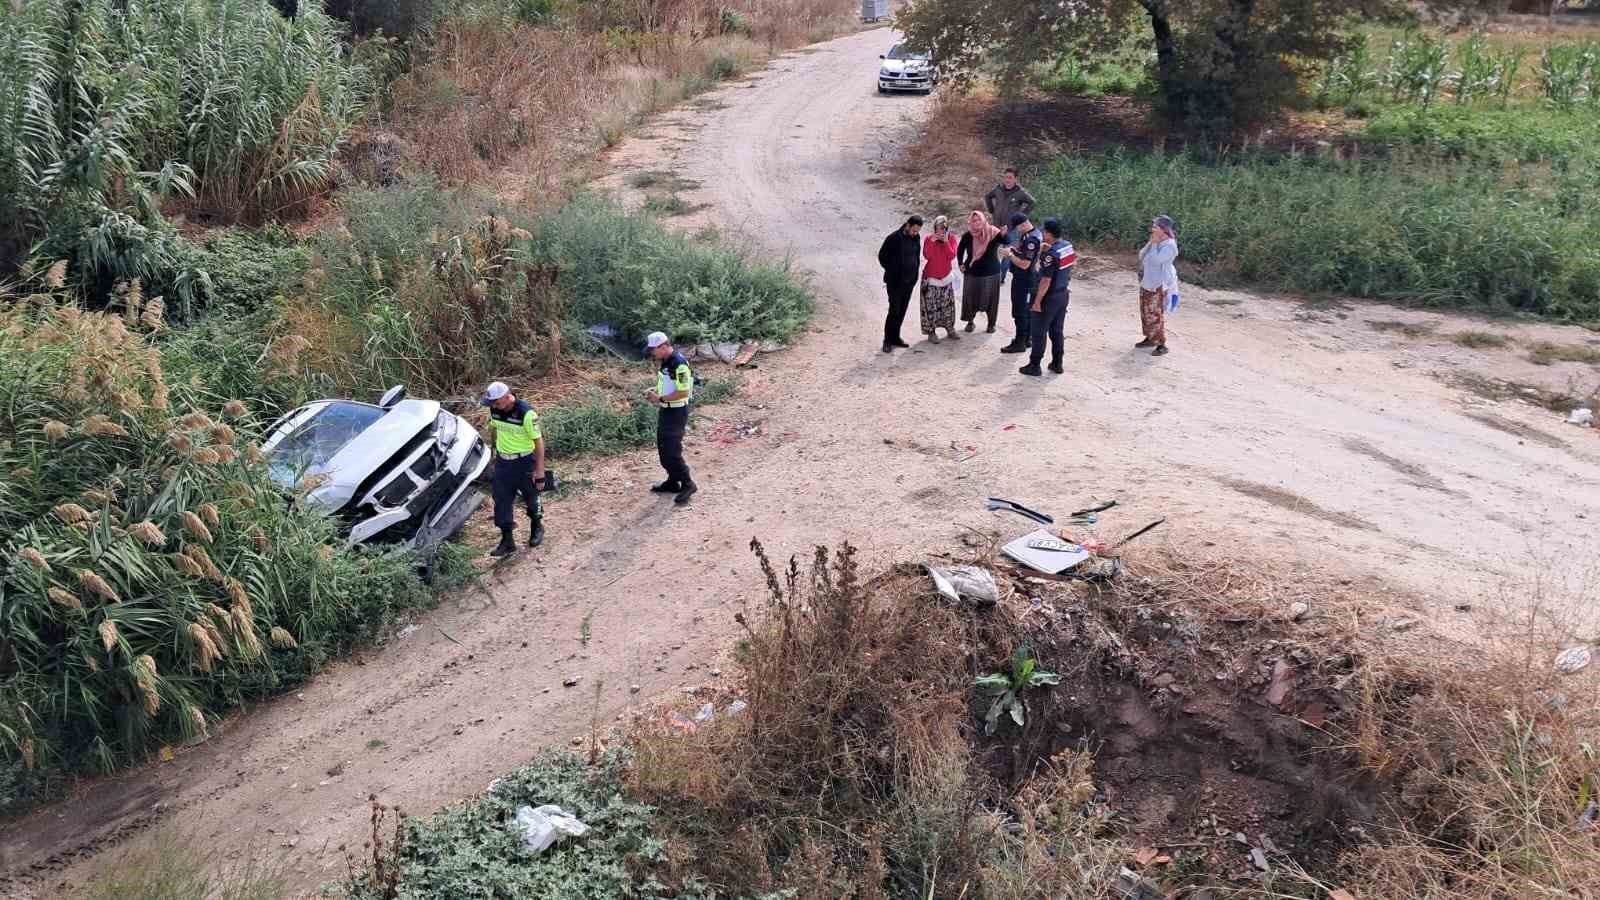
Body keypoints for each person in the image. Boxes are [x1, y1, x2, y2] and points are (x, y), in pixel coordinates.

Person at [481, 381, 545, 557]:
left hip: (524, 462)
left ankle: (537, 527)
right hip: (503, 463)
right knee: (501, 501)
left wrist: (539, 472)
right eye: (492, 403)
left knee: (531, 497)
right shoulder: (495, 409)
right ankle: (507, 541)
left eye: (496, 402)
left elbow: (538, 443)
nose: (494, 406)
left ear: (508, 397)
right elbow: (495, 430)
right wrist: (494, 453)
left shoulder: (526, 413)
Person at [645, 332, 698, 504]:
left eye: (654, 350)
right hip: (667, 410)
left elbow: (683, 391)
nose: (652, 353)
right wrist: (656, 391)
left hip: (676, 412)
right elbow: (671, 384)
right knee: (663, 449)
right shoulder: (666, 361)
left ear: (663, 346)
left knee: (672, 451)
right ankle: (673, 482)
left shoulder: (679, 363)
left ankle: (688, 483)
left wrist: (659, 398)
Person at [1019, 219, 1075, 377]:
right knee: (1057, 331)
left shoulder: (1050, 255)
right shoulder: (1067, 246)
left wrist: (1037, 302)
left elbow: (1045, 280)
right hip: (1062, 294)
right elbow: (1067, 267)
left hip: (1048, 297)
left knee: (1038, 331)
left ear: (1049, 234)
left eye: (1044, 232)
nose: (1042, 234)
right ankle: (1057, 363)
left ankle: (1034, 365)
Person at [877, 216, 923, 353]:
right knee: (894, 310)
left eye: (918, 231)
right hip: (895, 282)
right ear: (908, 225)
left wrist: (914, 276)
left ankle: (896, 337)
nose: (916, 233)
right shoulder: (894, 238)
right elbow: (882, 256)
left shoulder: (916, 238)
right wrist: (893, 270)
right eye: (914, 230)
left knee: (902, 310)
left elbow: (916, 256)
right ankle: (887, 340)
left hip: (909, 282)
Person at [997, 212, 1041, 354]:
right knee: (1026, 311)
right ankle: (1027, 338)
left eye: (1017, 227)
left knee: (1020, 311)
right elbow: (1024, 254)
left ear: (1022, 225)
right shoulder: (1034, 234)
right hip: (1028, 279)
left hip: (1024, 280)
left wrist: (1009, 255)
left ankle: (1020, 342)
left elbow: (1024, 264)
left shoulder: (1031, 240)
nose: (1017, 230)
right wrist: (1014, 250)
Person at [1137, 215, 1179, 357]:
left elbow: (1156, 261)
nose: (1152, 229)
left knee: (1155, 313)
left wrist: (1154, 244)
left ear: (1163, 229)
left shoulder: (1170, 246)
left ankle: (1161, 344)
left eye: (1155, 227)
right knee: (1145, 311)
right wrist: (1151, 243)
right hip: (1147, 281)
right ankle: (1150, 338)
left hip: (1158, 284)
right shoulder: (1155, 240)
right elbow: (1141, 255)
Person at [984, 168, 1035, 284]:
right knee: (992, 250)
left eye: (1010, 177)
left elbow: (1032, 202)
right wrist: (992, 210)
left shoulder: (1020, 192)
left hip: (1011, 228)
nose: (1007, 180)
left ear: (1015, 179)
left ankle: (1000, 277)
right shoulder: (998, 189)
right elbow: (987, 196)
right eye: (1006, 177)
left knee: (1008, 253)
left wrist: (1021, 216)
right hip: (996, 226)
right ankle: (991, 273)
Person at [956, 210, 1003, 333]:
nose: (976, 222)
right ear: (970, 222)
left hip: (991, 272)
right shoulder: (968, 235)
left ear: (983, 220)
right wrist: (960, 263)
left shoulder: (993, 232)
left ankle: (991, 324)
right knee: (970, 299)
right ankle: (970, 322)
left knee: (992, 300)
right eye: (974, 220)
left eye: (979, 219)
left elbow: (1006, 241)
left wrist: (1004, 234)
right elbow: (960, 250)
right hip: (972, 272)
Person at [919, 215, 960, 343]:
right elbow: (927, 255)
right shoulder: (928, 239)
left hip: (946, 278)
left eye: (943, 228)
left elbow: (952, 256)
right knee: (931, 307)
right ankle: (931, 332)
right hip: (931, 278)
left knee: (947, 306)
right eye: (937, 228)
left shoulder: (952, 238)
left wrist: (946, 241)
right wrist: (932, 240)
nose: (940, 231)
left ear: (947, 228)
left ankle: (950, 328)